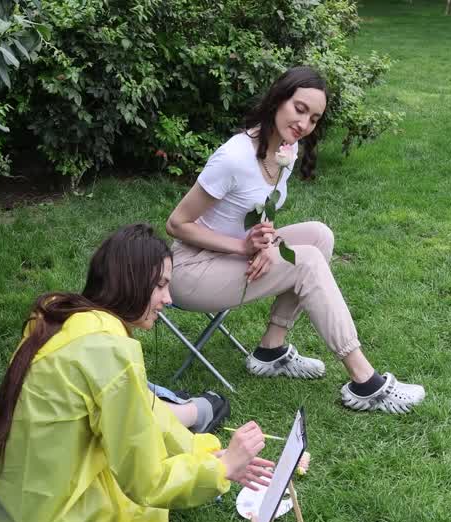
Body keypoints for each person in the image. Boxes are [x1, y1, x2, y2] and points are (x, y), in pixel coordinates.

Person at [0, 223, 274, 522]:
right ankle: (196, 413)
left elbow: (144, 411)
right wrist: (220, 470)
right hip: (40, 520)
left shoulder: (62, 311)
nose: (168, 299)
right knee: (136, 505)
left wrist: (202, 452)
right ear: (132, 283)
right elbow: (147, 482)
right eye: (162, 285)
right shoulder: (110, 352)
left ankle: (195, 416)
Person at [165, 66, 427, 414]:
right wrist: (243, 247)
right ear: (277, 100)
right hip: (190, 271)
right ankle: (366, 382)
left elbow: (262, 209)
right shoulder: (233, 158)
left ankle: (270, 351)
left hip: (232, 256)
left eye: (314, 118)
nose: (304, 123)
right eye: (299, 109)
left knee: (319, 236)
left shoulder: (287, 149)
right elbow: (177, 224)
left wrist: (266, 241)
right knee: (305, 261)